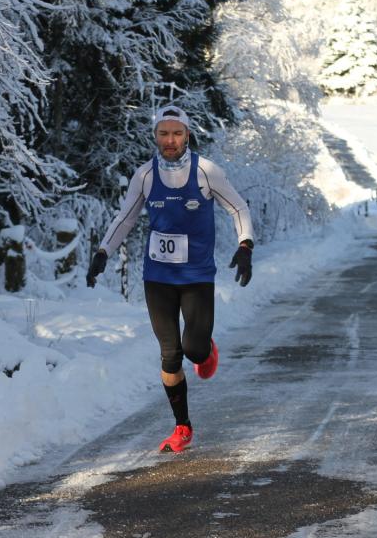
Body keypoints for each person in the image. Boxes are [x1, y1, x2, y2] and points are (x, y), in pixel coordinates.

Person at [85, 105, 255, 453]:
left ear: (187, 135)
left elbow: (237, 207)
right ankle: (182, 427)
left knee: (193, 349)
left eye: (177, 133)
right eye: (164, 133)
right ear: (155, 136)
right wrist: (103, 251)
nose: (170, 140)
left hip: (195, 276)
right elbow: (126, 218)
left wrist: (246, 245)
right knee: (169, 355)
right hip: (158, 276)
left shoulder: (206, 171)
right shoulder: (145, 176)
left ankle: (206, 350)